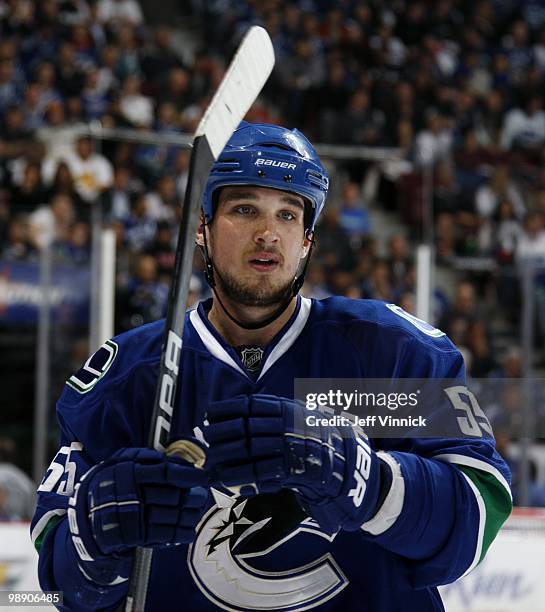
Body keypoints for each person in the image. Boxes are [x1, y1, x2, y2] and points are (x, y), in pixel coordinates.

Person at [32, 122, 512, 612]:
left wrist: (366, 479)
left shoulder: (390, 355)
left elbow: (477, 520)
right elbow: (58, 588)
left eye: (287, 214)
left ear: (306, 241)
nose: (267, 233)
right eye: (245, 210)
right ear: (202, 228)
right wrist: (93, 537)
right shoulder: (125, 377)